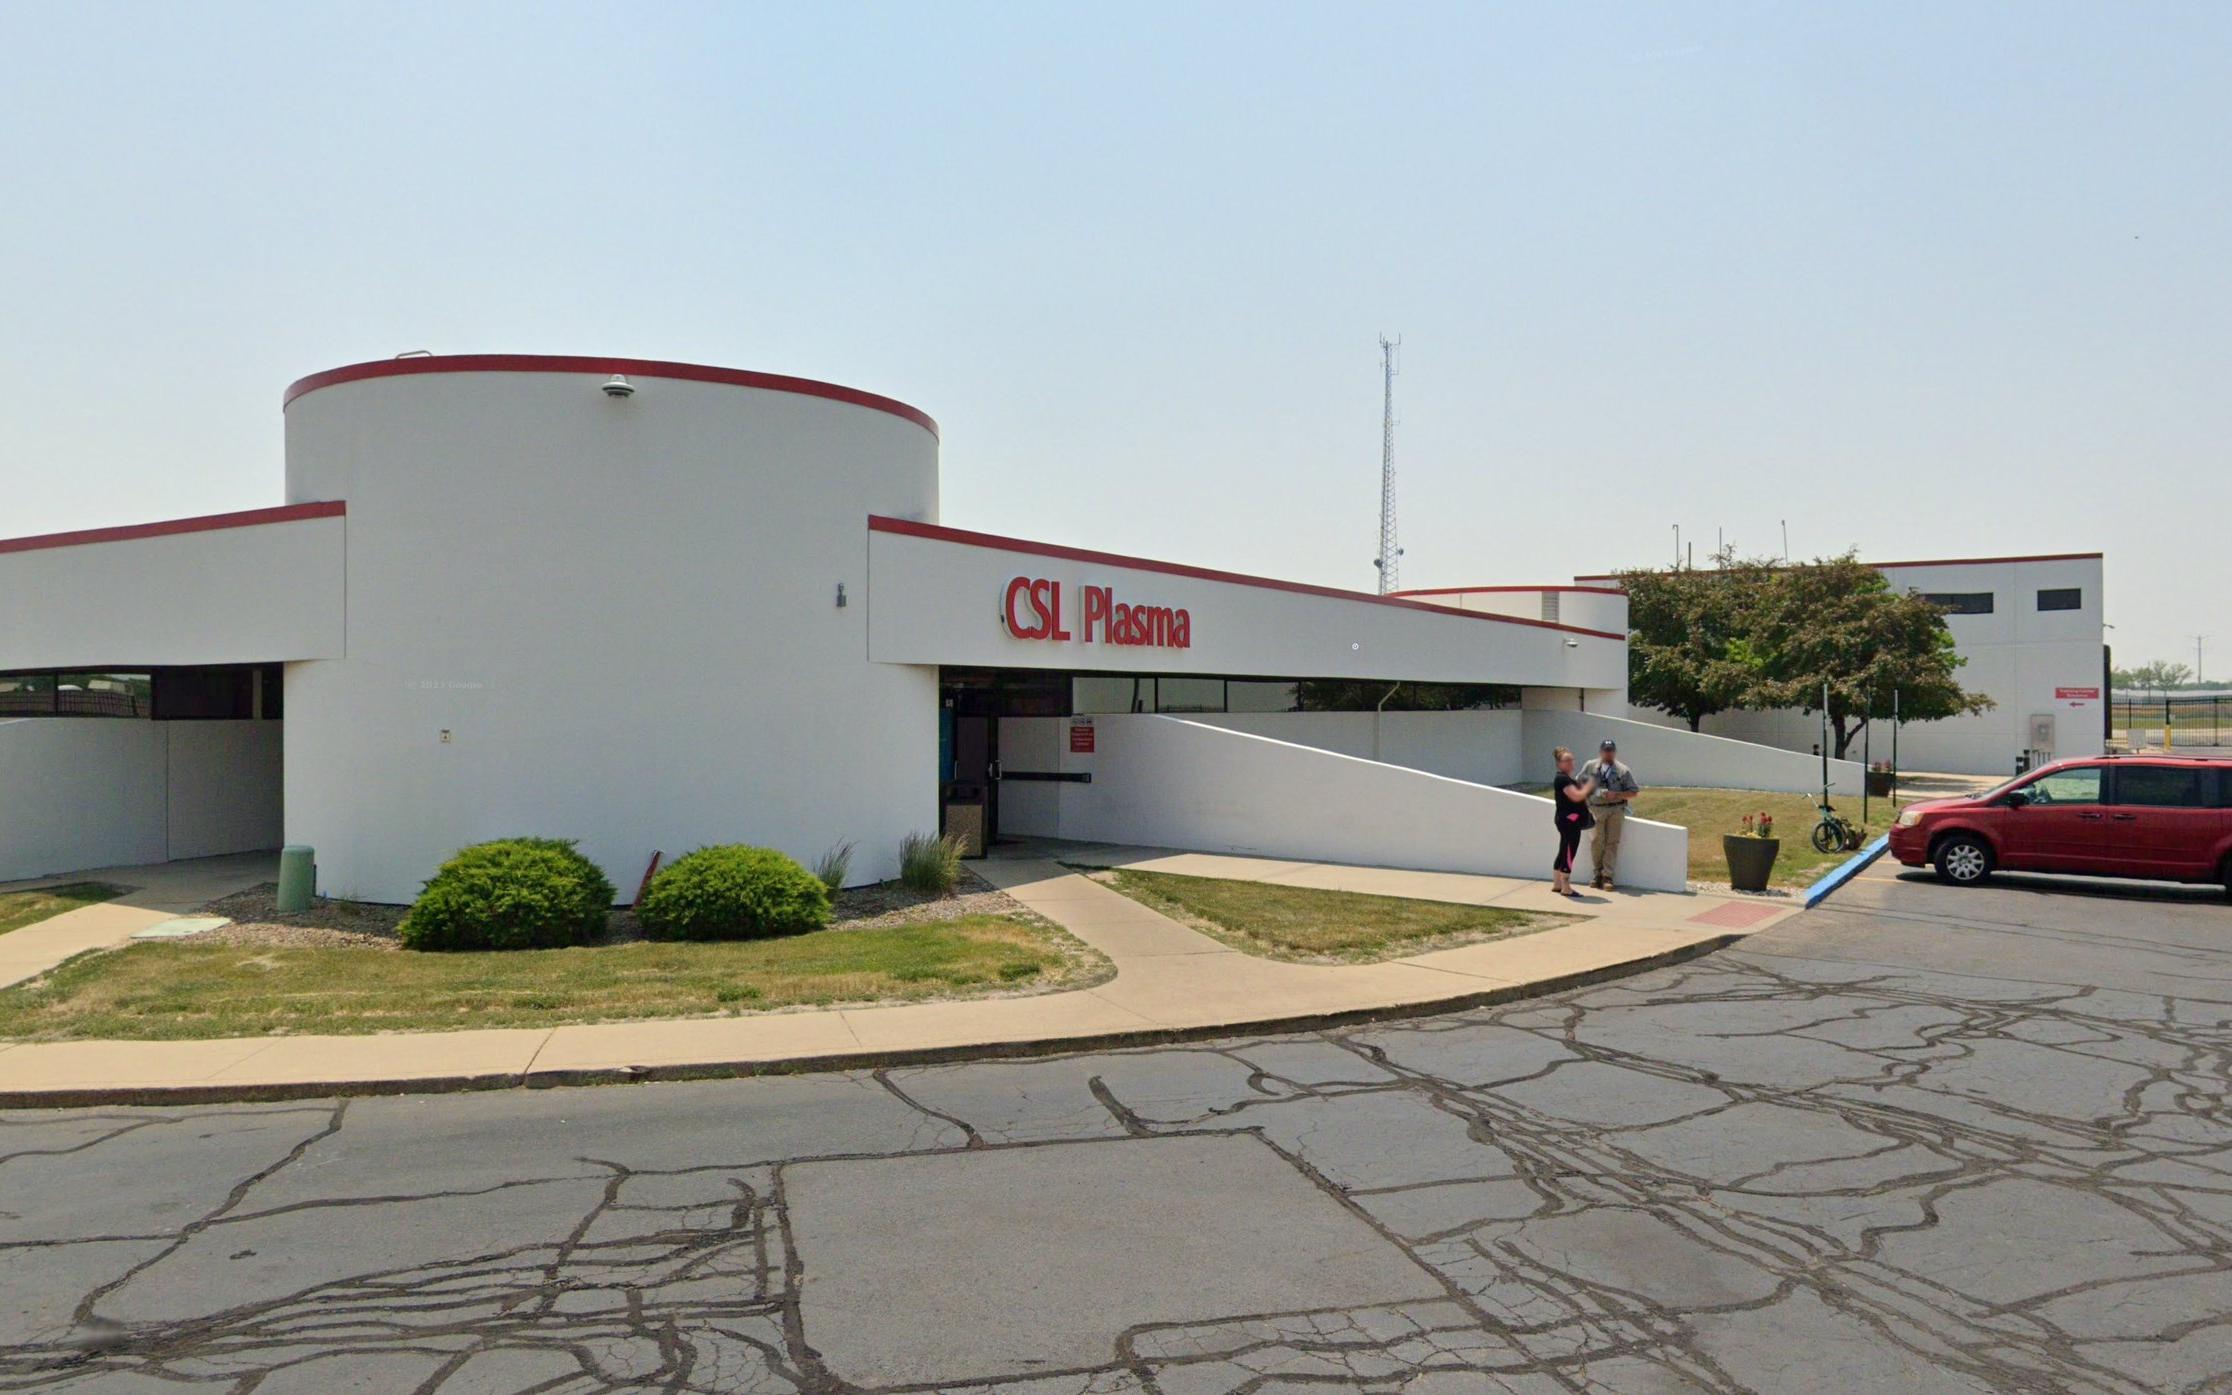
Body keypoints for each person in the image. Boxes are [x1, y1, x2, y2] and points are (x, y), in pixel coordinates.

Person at [1581, 738, 1640, 889]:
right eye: (1606, 751)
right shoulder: (1590, 766)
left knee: (1612, 842)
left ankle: (1608, 876)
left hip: (1616, 809)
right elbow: (1579, 783)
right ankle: (1596, 874)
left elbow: (1634, 791)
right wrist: (1595, 792)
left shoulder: (1622, 770)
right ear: (1600, 752)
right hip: (1596, 808)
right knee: (1596, 841)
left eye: (1611, 751)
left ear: (1615, 752)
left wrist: (1617, 795)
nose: (1608, 753)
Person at [1549, 746, 1596, 897]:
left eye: (1571, 759)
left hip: (1567, 820)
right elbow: (1576, 796)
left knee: (1564, 848)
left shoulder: (1566, 778)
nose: (1570, 763)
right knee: (1570, 850)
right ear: (1559, 763)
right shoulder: (1562, 779)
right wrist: (1589, 786)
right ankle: (1566, 886)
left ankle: (1557, 883)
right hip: (1569, 821)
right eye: (1566, 760)